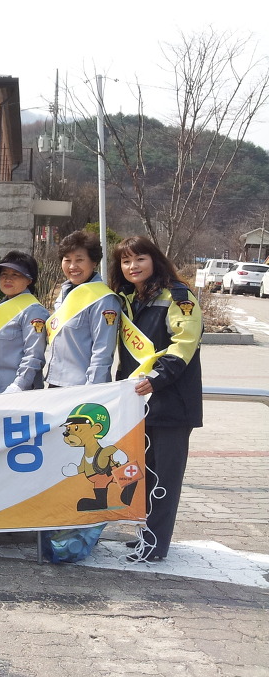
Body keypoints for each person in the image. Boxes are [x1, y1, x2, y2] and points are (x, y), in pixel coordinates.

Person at [111, 235, 202, 563]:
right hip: (139, 403)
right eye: (126, 261)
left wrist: (157, 378)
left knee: (165, 478)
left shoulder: (178, 295)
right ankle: (146, 534)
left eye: (140, 259)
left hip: (170, 402)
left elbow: (184, 343)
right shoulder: (127, 299)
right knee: (144, 475)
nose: (132, 266)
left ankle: (155, 544)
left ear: (155, 260)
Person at [45, 230, 119, 387]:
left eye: (79, 260)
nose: (73, 266)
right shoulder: (64, 292)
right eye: (67, 260)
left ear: (94, 262)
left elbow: (102, 351)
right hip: (55, 382)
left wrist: (90, 390)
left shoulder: (103, 299)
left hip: (82, 386)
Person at [0, 250, 49, 393]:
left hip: (18, 392)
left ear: (29, 280)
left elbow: (34, 354)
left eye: (15, 274)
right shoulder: (1, 307)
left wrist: (19, 385)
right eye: (4, 274)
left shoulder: (33, 311)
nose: (8, 279)